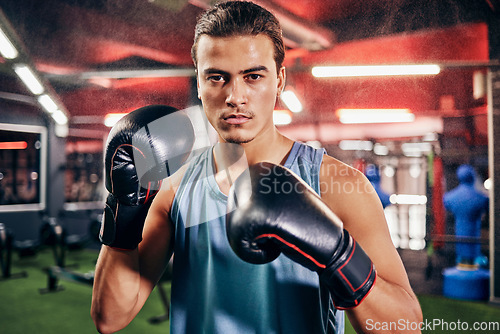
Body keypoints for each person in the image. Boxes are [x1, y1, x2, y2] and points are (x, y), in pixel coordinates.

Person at [91, 1, 422, 333]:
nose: (235, 96)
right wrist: (125, 205)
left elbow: (406, 326)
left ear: (279, 80)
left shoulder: (337, 185)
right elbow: (110, 318)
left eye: (253, 76)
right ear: (200, 83)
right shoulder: (175, 189)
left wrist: (338, 256)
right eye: (217, 77)